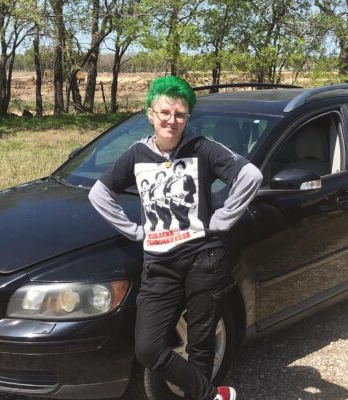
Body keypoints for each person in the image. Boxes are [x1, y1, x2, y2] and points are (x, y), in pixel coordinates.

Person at [88, 75, 262, 400]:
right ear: (150, 114)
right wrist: (134, 230)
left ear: (187, 117)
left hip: (204, 259)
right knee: (149, 348)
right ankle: (213, 396)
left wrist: (223, 218)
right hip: (160, 265)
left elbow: (250, 175)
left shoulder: (202, 149)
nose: (172, 120)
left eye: (180, 114)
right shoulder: (137, 154)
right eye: (165, 112)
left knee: (201, 345)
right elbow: (99, 193)